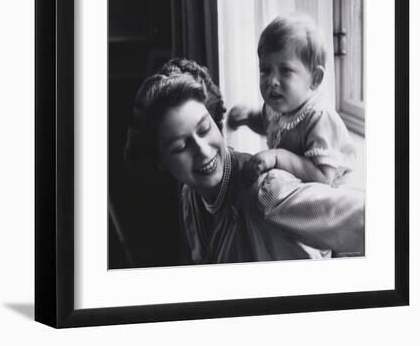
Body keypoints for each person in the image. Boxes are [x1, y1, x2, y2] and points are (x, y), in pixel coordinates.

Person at [126, 58, 364, 264]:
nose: (201, 149)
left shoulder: (267, 191)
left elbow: (368, 218)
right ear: (160, 160)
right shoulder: (190, 197)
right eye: (180, 146)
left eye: (205, 128)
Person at [228, 14, 356, 188]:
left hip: (331, 197)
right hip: (298, 186)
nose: (272, 81)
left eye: (285, 70)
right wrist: (249, 117)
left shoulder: (319, 117)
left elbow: (323, 177)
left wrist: (277, 157)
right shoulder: (278, 105)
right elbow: (267, 125)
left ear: (315, 78)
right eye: (266, 70)